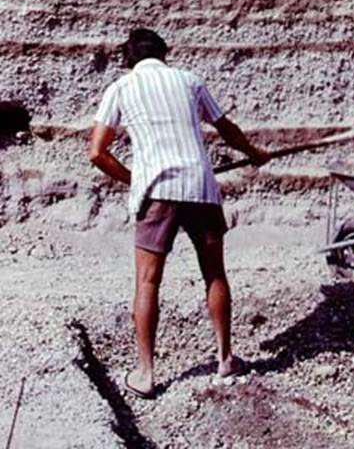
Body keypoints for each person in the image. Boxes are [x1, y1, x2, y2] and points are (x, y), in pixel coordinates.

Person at [89, 27, 269, 399]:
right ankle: (224, 358)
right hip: (200, 187)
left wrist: (134, 179)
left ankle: (146, 373)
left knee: (148, 281)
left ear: (129, 58)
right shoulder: (189, 81)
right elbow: (226, 128)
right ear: (164, 53)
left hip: (156, 190)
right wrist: (254, 154)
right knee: (214, 273)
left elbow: (97, 152)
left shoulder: (121, 88)